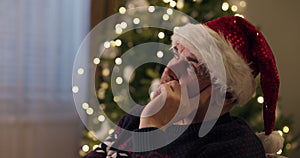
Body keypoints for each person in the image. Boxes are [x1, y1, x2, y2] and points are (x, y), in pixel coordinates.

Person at [84, 16, 284, 158]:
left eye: (193, 63)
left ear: (224, 95)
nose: (171, 67)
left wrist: (153, 127)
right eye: (177, 53)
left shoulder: (235, 146)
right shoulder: (134, 120)